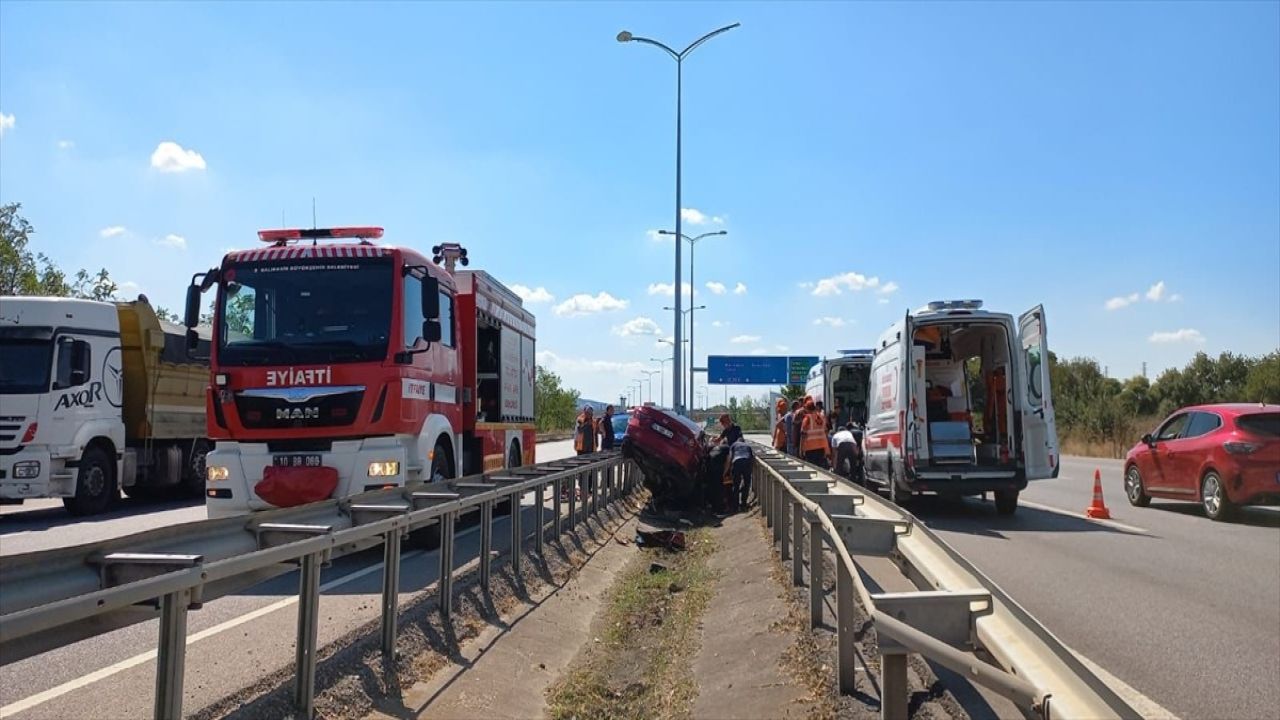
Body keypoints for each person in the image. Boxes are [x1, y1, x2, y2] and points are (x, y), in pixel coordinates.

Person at [799, 399, 831, 468]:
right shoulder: (822, 417)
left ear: (807, 409)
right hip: (821, 448)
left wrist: (801, 450)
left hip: (810, 448)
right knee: (820, 469)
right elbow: (825, 432)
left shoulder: (807, 418)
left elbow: (803, 435)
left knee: (812, 469)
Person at [729, 436, 754, 511]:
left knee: (736, 484)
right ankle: (743, 503)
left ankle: (735, 505)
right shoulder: (748, 446)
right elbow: (751, 457)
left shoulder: (734, 444)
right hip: (747, 462)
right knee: (746, 484)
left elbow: (730, 456)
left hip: (737, 462)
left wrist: (730, 469)